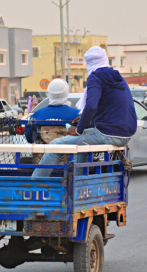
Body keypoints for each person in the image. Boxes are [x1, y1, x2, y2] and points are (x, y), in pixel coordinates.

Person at [32, 46, 137, 178]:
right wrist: (83, 121)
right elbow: (108, 107)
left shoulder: (96, 76)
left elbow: (91, 106)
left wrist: (78, 130)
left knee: (55, 146)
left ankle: (33, 186)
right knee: (81, 144)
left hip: (108, 133)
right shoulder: (117, 77)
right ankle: (76, 185)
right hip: (125, 135)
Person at [24, 79, 79, 143]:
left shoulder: (37, 115)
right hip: (71, 152)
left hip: (43, 152)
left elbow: (29, 138)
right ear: (66, 93)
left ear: (49, 93)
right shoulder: (78, 115)